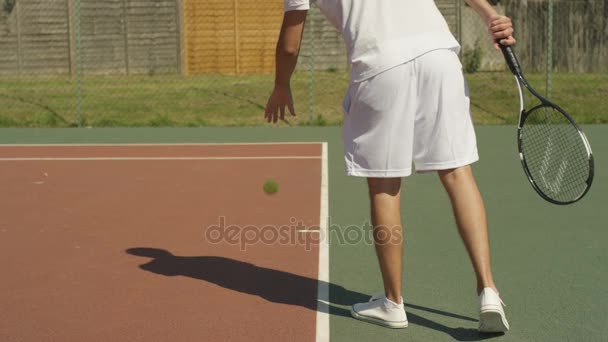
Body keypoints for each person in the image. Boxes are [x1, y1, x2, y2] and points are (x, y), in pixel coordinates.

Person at [265, 0, 515, 333]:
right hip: (439, 54)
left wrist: (281, 85)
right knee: (457, 173)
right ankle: (489, 292)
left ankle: (393, 303)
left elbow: (290, 44)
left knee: (384, 185)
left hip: (381, 61)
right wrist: (491, 15)